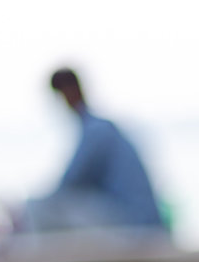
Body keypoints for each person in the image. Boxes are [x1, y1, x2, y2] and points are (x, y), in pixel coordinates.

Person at [19, 67, 168, 238]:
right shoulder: (100, 128)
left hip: (135, 226)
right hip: (139, 222)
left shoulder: (97, 131)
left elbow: (68, 183)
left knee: (37, 207)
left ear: (70, 91)